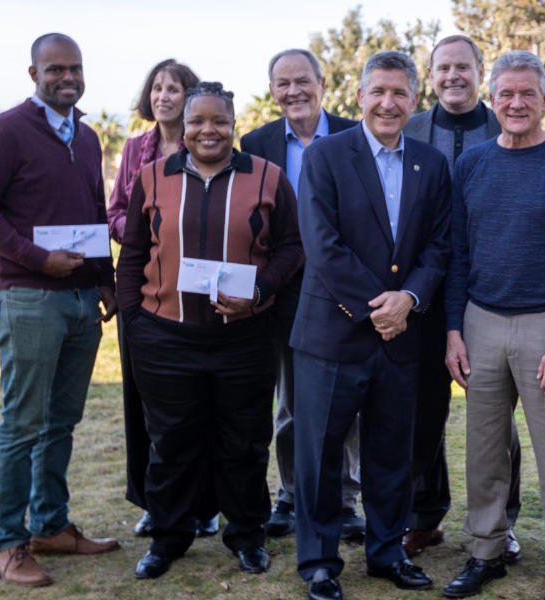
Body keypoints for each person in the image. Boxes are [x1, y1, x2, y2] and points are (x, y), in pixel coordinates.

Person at [116, 81, 304, 579]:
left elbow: (291, 248)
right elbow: (133, 254)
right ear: (184, 125)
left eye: (218, 120)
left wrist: (260, 291)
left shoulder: (267, 177)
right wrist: (135, 319)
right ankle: (168, 538)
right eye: (197, 120)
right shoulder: (153, 178)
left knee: (243, 442)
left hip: (244, 338)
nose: (207, 130)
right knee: (172, 442)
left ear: (234, 124)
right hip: (165, 336)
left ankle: (247, 535)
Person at [0, 32, 120, 588]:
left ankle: (51, 526)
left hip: (79, 301)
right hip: (26, 296)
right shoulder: (4, 132)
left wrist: (105, 280)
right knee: (23, 423)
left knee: (62, 422)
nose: (67, 77)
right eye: (55, 69)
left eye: (75, 68)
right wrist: (35, 258)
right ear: (34, 75)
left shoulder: (90, 137)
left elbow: (95, 211)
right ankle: (8, 545)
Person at [291, 51, 452, 600]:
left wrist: (407, 299)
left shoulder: (430, 164)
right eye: (378, 91)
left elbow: (439, 245)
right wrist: (376, 306)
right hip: (332, 335)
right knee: (319, 453)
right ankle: (318, 561)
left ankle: (387, 552)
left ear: (413, 100)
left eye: (399, 93)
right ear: (359, 97)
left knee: (391, 452)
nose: (388, 102)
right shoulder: (326, 155)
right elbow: (322, 244)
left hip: (401, 336)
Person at [443, 50, 545, 600]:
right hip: (481, 320)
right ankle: (486, 551)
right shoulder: (473, 164)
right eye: (505, 94)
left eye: (526, 93)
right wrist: (453, 329)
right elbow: (458, 253)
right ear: (493, 98)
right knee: (482, 451)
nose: (515, 103)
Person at [401, 33, 525, 563]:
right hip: (420, 293)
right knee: (420, 412)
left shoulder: (509, 127)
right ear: (430, 77)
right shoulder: (406, 131)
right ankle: (424, 516)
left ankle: (503, 521)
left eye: (463, 67)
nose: (453, 76)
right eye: (442, 68)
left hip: (489, 294)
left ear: (481, 71)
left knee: (496, 416)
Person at [239, 48, 362, 541]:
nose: (294, 91)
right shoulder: (256, 143)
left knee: (347, 403)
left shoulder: (357, 133)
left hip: (349, 290)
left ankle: (348, 499)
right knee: (290, 402)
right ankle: (291, 494)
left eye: (302, 81)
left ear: (322, 81)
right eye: (282, 83)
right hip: (284, 292)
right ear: (272, 91)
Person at [105, 58, 220, 539]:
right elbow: (113, 213)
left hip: (205, 300)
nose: (163, 96)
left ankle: (207, 505)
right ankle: (155, 503)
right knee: (147, 408)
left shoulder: (214, 146)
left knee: (207, 405)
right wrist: (145, 233)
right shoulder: (136, 150)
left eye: (174, 88)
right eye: (156, 88)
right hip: (146, 297)